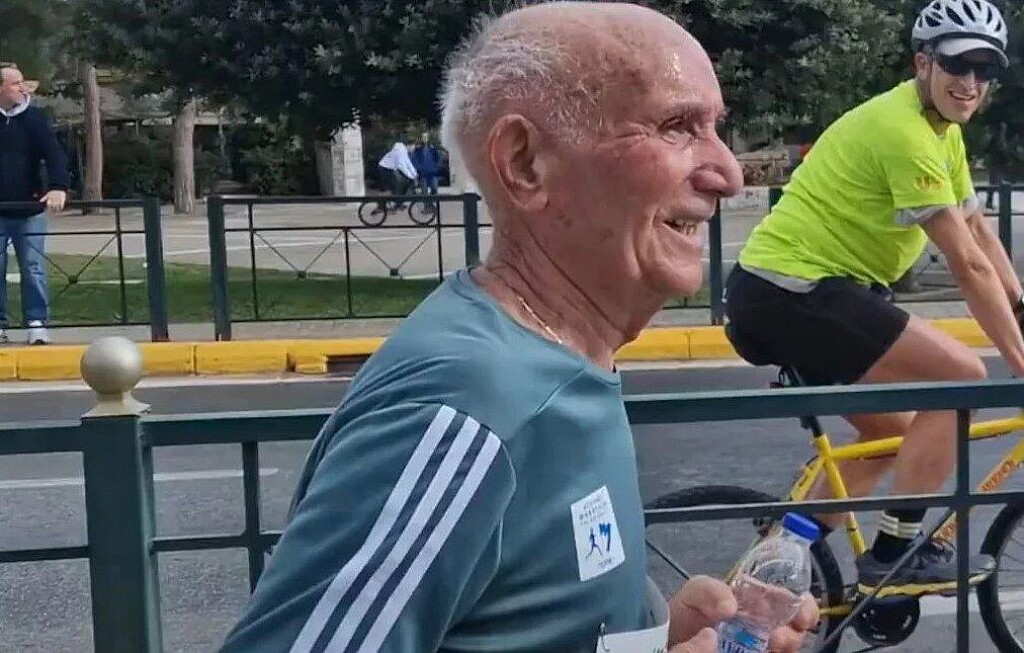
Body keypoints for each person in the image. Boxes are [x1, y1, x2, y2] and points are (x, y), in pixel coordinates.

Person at [219, 3, 816, 652]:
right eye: (677, 126)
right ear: (526, 163)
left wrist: (662, 636)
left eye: (715, 128)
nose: (728, 173)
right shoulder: (471, 405)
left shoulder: (556, 362)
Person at [724, 0, 1019, 598]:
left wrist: (1020, 309)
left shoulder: (942, 132)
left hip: (797, 293)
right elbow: (965, 263)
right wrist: (1019, 359)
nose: (970, 82)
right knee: (960, 378)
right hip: (793, 289)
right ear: (923, 63)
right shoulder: (902, 131)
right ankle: (896, 555)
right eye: (957, 65)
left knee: (891, 435)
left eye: (985, 70)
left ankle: (771, 573)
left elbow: (979, 233)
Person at [0, 63, 68, 345]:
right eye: (15, 83)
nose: (23, 87)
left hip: (29, 207)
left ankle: (36, 321)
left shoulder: (34, 118)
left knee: (33, 266)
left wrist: (58, 187)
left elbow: (54, 155)